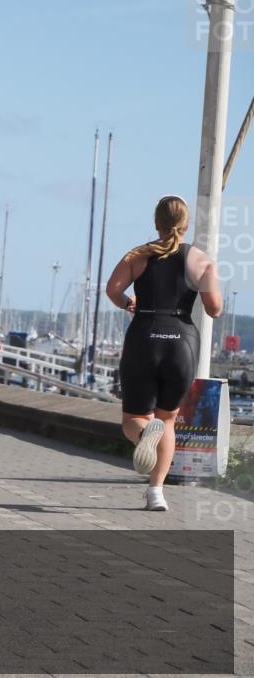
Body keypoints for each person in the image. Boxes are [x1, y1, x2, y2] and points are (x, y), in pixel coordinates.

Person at [105, 195, 222, 511]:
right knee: (168, 421)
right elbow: (214, 308)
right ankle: (156, 492)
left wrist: (127, 303)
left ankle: (144, 434)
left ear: (157, 223)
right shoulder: (200, 260)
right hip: (182, 341)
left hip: (144, 335)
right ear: (185, 225)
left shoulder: (137, 255)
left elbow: (113, 290)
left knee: (133, 419)